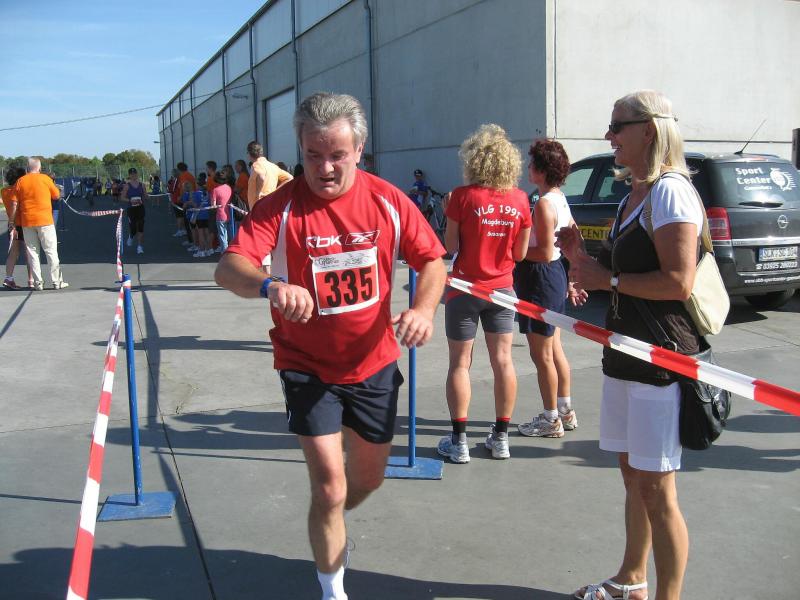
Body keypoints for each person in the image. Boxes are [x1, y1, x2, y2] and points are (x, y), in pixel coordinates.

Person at [215, 92, 447, 600]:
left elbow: (432, 261)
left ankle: (333, 520)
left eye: (337, 155)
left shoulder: (387, 200)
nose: (324, 168)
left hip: (373, 362)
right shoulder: (279, 208)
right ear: (299, 149)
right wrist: (270, 286)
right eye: (313, 155)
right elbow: (228, 268)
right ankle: (332, 587)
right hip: (307, 366)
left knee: (367, 479)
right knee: (329, 486)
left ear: (359, 149)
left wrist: (424, 310)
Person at [560, 90, 700, 600]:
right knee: (633, 477)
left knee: (658, 490)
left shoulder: (671, 192)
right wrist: (580, 257)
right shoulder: (633, 195)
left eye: (617, 126)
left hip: (660, 359)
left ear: (650, 130)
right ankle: (631, 580)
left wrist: (609, 280)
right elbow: (615, 272)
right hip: (624, 353)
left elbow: (678, 283)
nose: (609, 135)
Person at [437, 124, 531, 463]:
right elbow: (520, 254)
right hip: (502, 290)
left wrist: (450, 215)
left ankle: (459, 441)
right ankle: (501, 438)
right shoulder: (520, 200)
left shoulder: (462, 197)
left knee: (460, 363)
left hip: (464, 288)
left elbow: (449, 246)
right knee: (503, 361)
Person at [515, 139, 586, 439]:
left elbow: (544, 252)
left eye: (533, 163)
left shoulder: (544, 204)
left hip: (541, 279)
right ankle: (565, 411)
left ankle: (550, 418)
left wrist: (514, 252)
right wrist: (572, 276)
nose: (528, 167)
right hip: (554, 276)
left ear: (543, 171)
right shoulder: (559, 198)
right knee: (554, 348)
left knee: (541, 354)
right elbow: (575, 237)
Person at [12, 157, 68, 290]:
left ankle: (38, 283)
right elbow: (56, 195)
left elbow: (14, 202)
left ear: (27, 168)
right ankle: (57, 281)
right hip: (45, 220)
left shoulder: (20, 181)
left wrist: (11, 221)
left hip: (27, 221)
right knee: (51, 251)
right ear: (39, 167)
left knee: (32, 253)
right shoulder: (45, 179)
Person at [2, 167, 33, 289]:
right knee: (29, 252)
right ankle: (31, 279)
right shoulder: (20, 190)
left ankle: (8, 278)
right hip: (24, 223)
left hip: (12, 224)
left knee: (13, 252)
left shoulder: (4, 191)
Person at [245, 141, 293, 210]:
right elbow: (290, 177)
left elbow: (261, 176)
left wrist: (259, 193)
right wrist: (275, 192)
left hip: (259, 207)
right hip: (271, 204)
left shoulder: (256, 165)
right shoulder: (273, 166)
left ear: (249, 153)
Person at [120, 168, 148, 255]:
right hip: (131, 209)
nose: (133, 175)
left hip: (140, 208)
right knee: (133, 228)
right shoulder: (127, 186)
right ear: (129, 175)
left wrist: (146, 197)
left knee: (140, 226)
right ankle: (131, 236)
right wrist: (130, 200)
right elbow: (122, 198)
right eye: (131, 174)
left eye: (135, 174)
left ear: (137, 174)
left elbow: (145, 196)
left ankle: (139, 247)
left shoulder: (142, 185)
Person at [210, 170, 232, 253]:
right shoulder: (229, 187)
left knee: (222, 235)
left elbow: (213, 205)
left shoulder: (215, 190)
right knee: (229, 234)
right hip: (229, 213)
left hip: (220, 215)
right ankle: (228, 250)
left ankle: (225, 252)